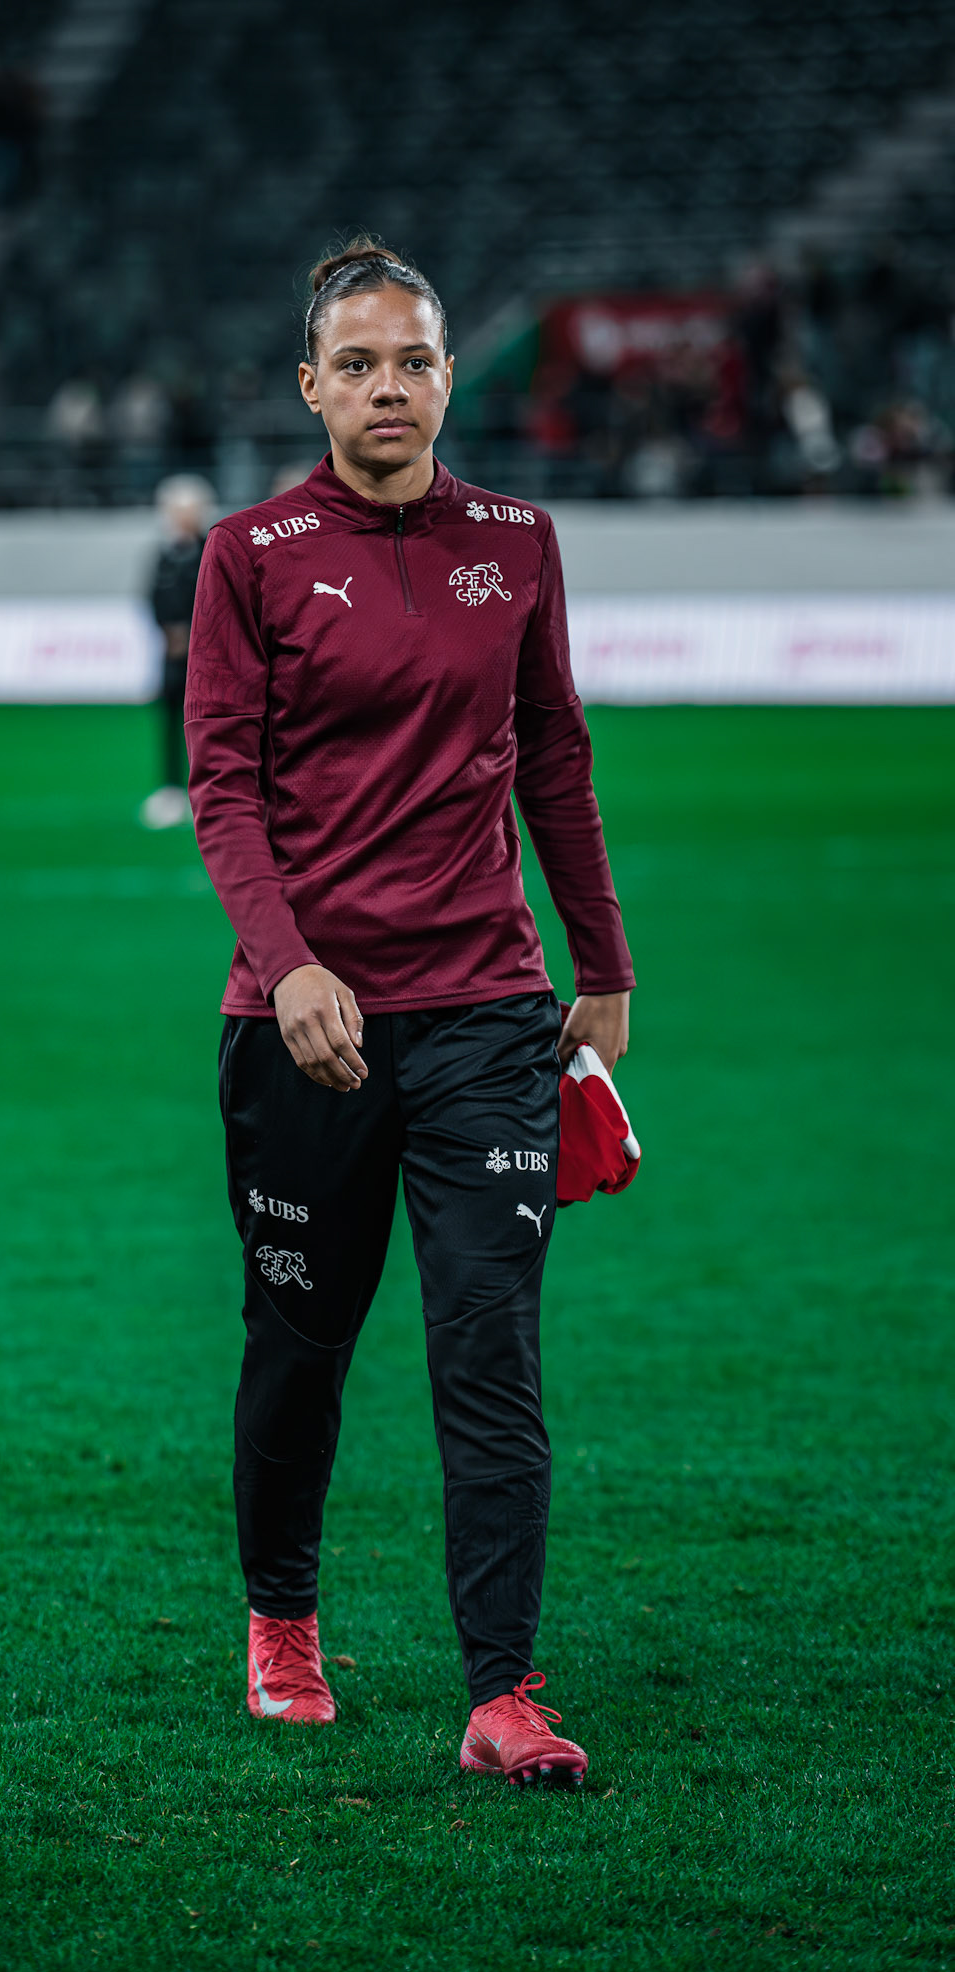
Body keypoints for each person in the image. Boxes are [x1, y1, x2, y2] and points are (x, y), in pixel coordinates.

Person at [185, 241, 635, 1784]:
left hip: (488, 1016)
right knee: (299, 1345)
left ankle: (502, 1693)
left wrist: (606, 964)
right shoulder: (246, 554)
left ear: (449, 379)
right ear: (312, 385)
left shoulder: (517, 542)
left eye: (416, 362)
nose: (390, 388)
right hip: (299, 1024)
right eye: (359, 364)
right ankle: (283, 1622)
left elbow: (556, 758)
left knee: (489, 1348)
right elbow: (226, 794)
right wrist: (290, 960)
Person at [142, 473, 216, 830]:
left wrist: (194, 635)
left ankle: (211, 792)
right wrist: (168, 631)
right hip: (171, 657)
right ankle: (170, 789)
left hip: (209, 659)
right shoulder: (165, 556)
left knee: (210, 727)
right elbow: (152, 600)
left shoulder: (213, 551)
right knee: (170, 722)